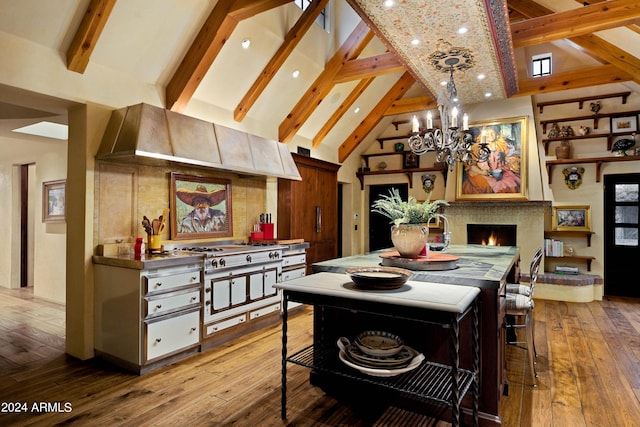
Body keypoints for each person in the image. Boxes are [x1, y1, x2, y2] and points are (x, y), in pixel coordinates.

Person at [462, 126, 521, 194]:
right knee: (487, 186)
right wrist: (482, 172)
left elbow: (510, 158)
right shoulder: (476, 148)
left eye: (492, 133)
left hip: (500, 173)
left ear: (497, 134)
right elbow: (471, 166)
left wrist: (506, 158)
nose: (490, 136)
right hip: (481, 173)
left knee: (511, 181)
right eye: (487, 134)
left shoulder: (501, 145)